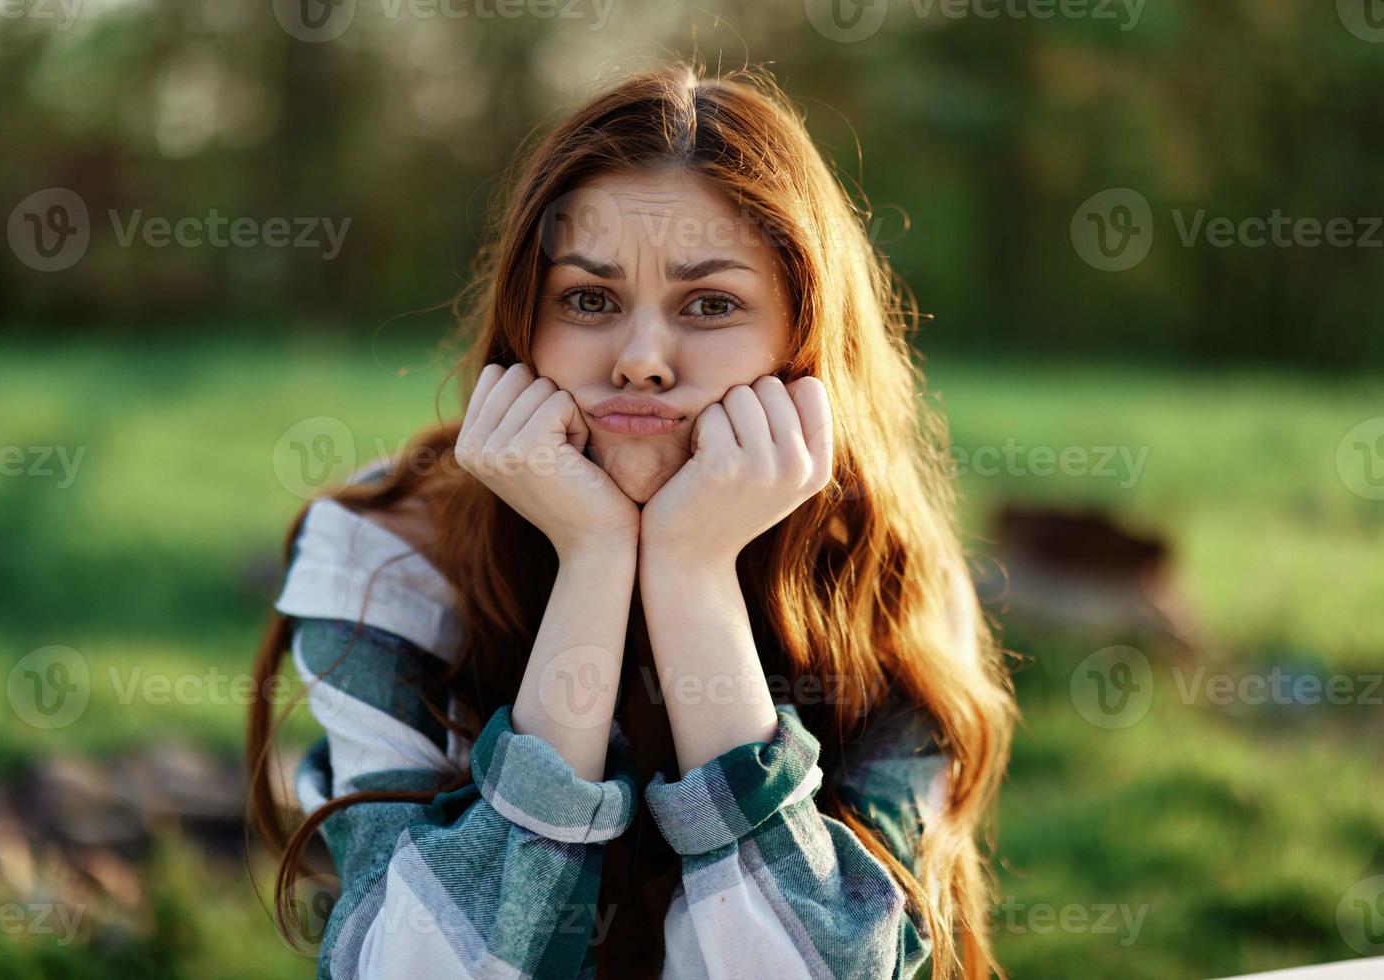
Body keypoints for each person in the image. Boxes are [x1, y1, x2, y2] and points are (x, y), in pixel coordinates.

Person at [247, 61, 1016, 980]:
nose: (642, 360)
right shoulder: (389, 552)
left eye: (711, 304)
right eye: (589, 299)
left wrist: (691, 577)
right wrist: (594, 558)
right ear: (524, 324)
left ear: (804, 341)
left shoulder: (885, 581)